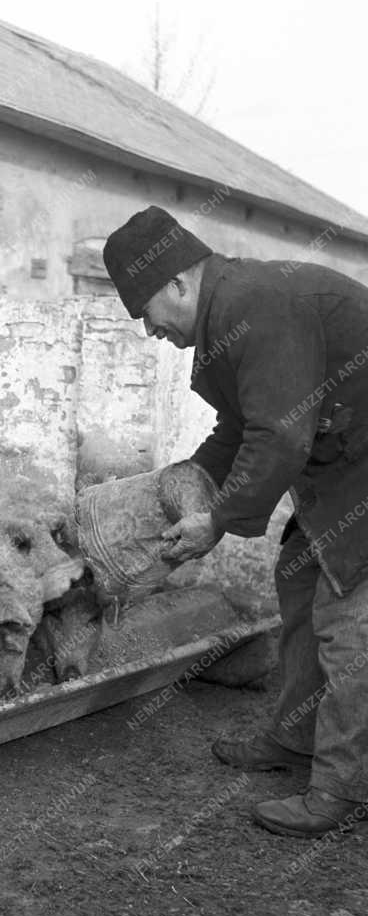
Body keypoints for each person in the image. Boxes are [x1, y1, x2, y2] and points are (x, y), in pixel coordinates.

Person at [102, 205, 368, 838]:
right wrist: (193, 475)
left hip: (360, 465)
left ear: (175, 283)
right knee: (300, 583)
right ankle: (296, 739)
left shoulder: (256, 304)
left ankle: (343, 789)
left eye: (146, 313)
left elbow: (278, 434)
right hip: (341, 461)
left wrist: (216, 520)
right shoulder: (230, 308)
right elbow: (245, 424)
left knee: (347, 620)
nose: (149, 331)